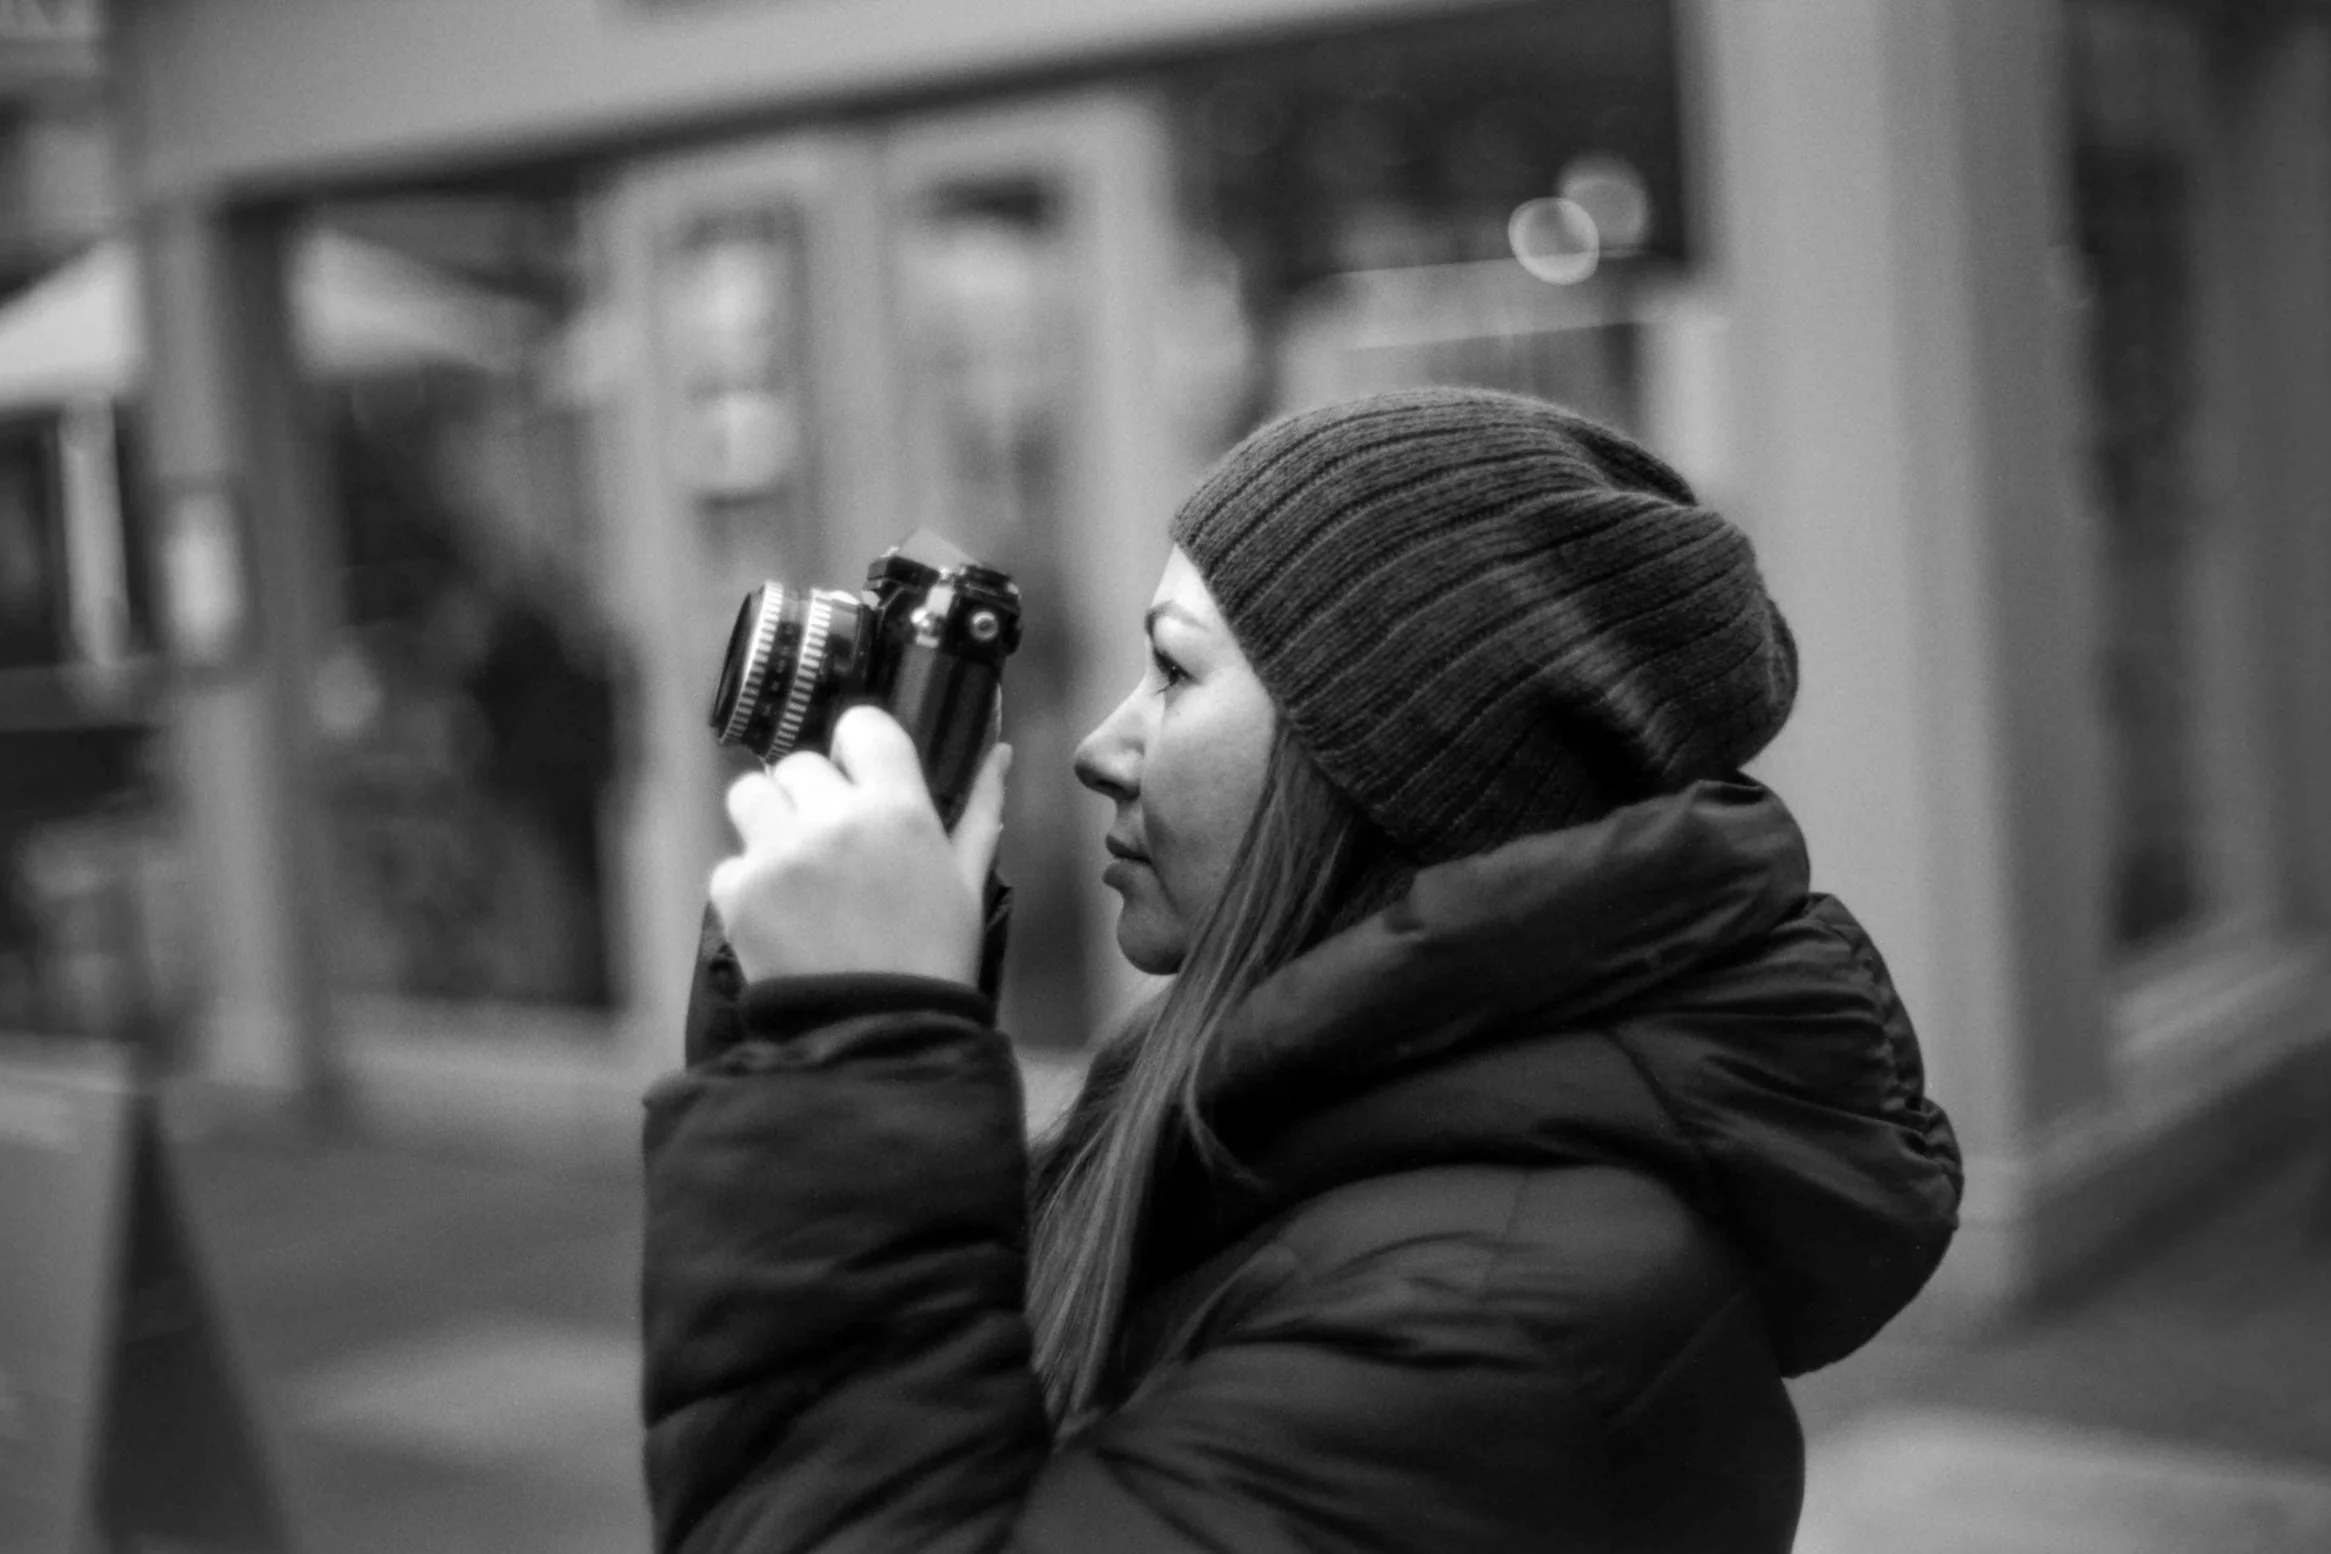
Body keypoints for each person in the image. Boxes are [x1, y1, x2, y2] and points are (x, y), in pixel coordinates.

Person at [642, 386, 1962, 1552]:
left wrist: (855, 1055)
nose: (1101, 744)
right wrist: (797, 1042)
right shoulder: (1255, 1111)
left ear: (1387, 762)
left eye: (1171, 669)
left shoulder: (1494, 1322)